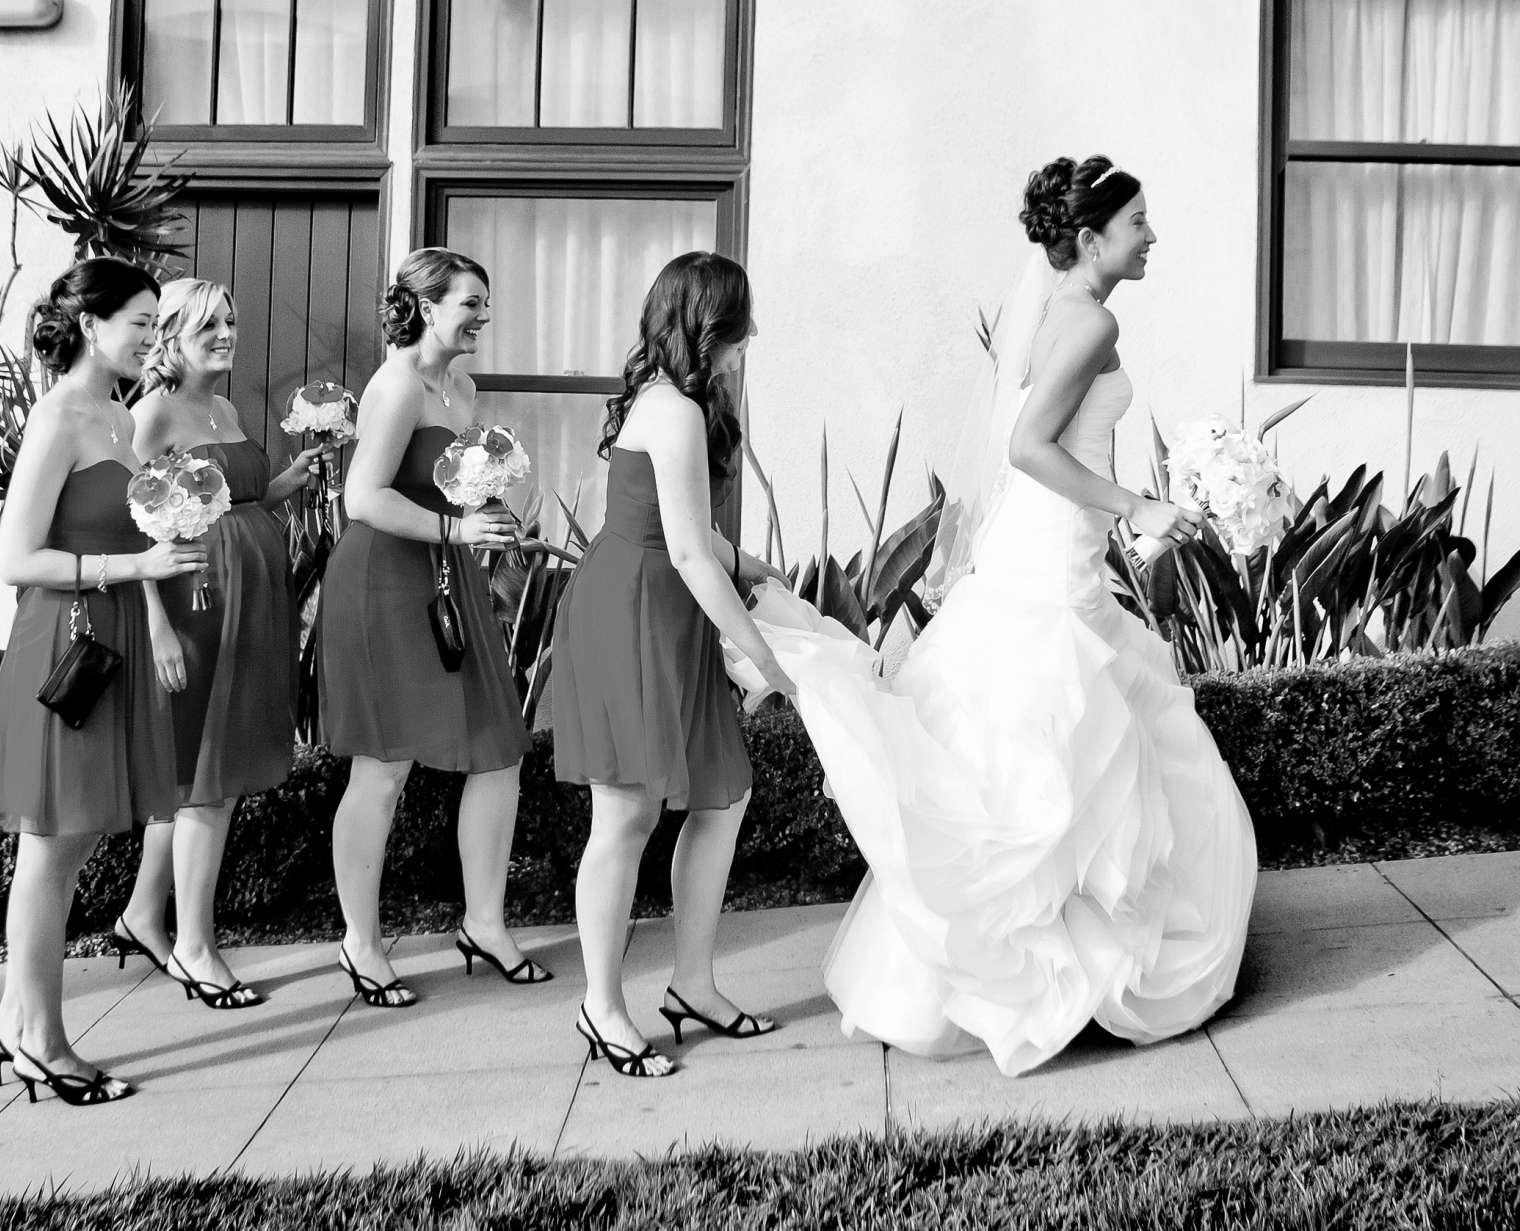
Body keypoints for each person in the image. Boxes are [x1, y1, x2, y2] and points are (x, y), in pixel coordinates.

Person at [760, 157, 1257, 1076]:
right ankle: (1061, 981)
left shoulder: (1053, 317)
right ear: (1093, 236)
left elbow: (1030, 434)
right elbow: (1029, 448)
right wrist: (1135, 505)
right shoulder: (1092, 318)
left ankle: (993, 974)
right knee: (1062, 763)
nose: (1152, 236)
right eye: (1139, 221)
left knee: (1045, 763)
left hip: (1046, 553)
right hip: (1051, 563)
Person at [546, 252, 794, 1078]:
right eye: (739, 323)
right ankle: (602, 1006)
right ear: (708, 325)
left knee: (724, 792)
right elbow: (685, 550)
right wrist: (761, 655)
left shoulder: (673, 401)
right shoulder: (674, 409)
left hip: (658, 602)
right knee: (624, 815)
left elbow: (681, 527)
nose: (749, 338)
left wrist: (752, 565)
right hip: (633, 614)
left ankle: (692, 983)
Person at [0, 258, 203, 1105]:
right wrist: (133, 564)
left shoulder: (117, 413)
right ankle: (40, 1037)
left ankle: (15, 1021)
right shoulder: (59, 417)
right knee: (49, 843)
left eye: (156, 322)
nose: (153, 337)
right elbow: (15, 558)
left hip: (108, 636)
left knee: (71, 843)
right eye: (141, 323)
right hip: (61, 644)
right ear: (89, 325)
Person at [314, 247, 544, 1007]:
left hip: (447, 581)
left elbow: (449, 490)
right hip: (383, 583)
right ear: (426, 306)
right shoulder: (395, 386)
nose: (482, 315)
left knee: (498, 751)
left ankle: (485, 922)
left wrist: (484, 517)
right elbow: (363, 497)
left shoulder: (462, 386)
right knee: (382, 770)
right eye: (470, 303)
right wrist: (455, 534)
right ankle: (359, 941)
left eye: (485, 302)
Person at [112, 277, 326, 1009]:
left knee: (203, 776)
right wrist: (155, 623)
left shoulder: (225, 407)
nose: (227, 334)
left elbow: (235, 500)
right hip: (192, 607)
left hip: (249, 602)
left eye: (231, 321)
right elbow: (124, 524)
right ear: (170, 334)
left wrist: (286, 482)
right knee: (208, 776)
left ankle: (142, 913)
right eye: (209, 325)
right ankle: (195, 946)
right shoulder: (152, 414)